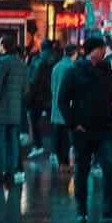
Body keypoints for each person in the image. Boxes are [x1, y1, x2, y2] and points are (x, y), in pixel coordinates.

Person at [60, 37, 112, 218]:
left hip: (105, 129)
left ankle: (108, 209)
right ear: (93, 50)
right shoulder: (75, 72)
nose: (104, 52)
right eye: (101, 49)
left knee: (109, 167)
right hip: (83, 130)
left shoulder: (107, 71)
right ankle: (81, 209)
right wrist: (73, 123)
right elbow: (63, 100)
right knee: (82, 170)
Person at [0, 37, 30, 183]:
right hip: (15, 109)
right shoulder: (22, 64)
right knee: (13, 141)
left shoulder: (2, 62)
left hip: (2, 109)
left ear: (3, 46)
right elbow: (26, 89)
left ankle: (0, 170)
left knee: (0, 141)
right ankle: (13, 169)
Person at [49, 41, 79, 170]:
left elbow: (52, 87)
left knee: (59, 138)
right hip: (68, 109)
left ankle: (61, 163)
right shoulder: (72, 68)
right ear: (75, 53)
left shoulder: (56, 67)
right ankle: (67, 163)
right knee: (68, 139)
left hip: (56, 109)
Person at [26, 39, 58, 155]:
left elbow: (34, 81)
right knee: (54, 124)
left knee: (34, 120)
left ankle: (38, 145)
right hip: (51, 96)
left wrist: (29, 98)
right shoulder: (56, 59)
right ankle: (55, 150)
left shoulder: (38, 61)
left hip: (38, 98)